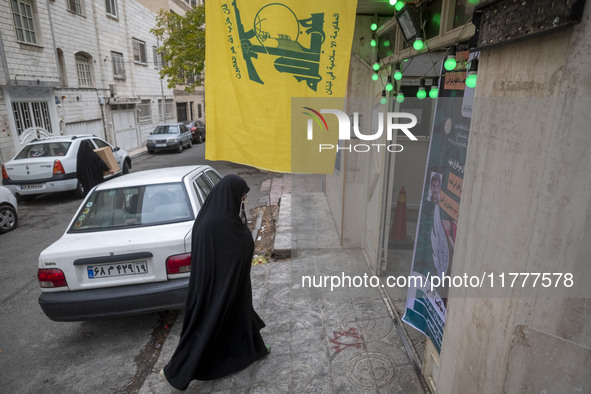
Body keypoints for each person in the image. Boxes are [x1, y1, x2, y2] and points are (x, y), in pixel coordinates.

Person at [162, 174, 268, 390]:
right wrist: (245, 239)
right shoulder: (218, 223)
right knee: (213, 320)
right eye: (242, 196)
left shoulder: (214, 217)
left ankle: (251, 348)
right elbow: (236, 247)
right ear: (231, 195)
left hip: (225, 282)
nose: (244, 200)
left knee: (236, 314)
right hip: (219, 286)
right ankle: (180, 370)